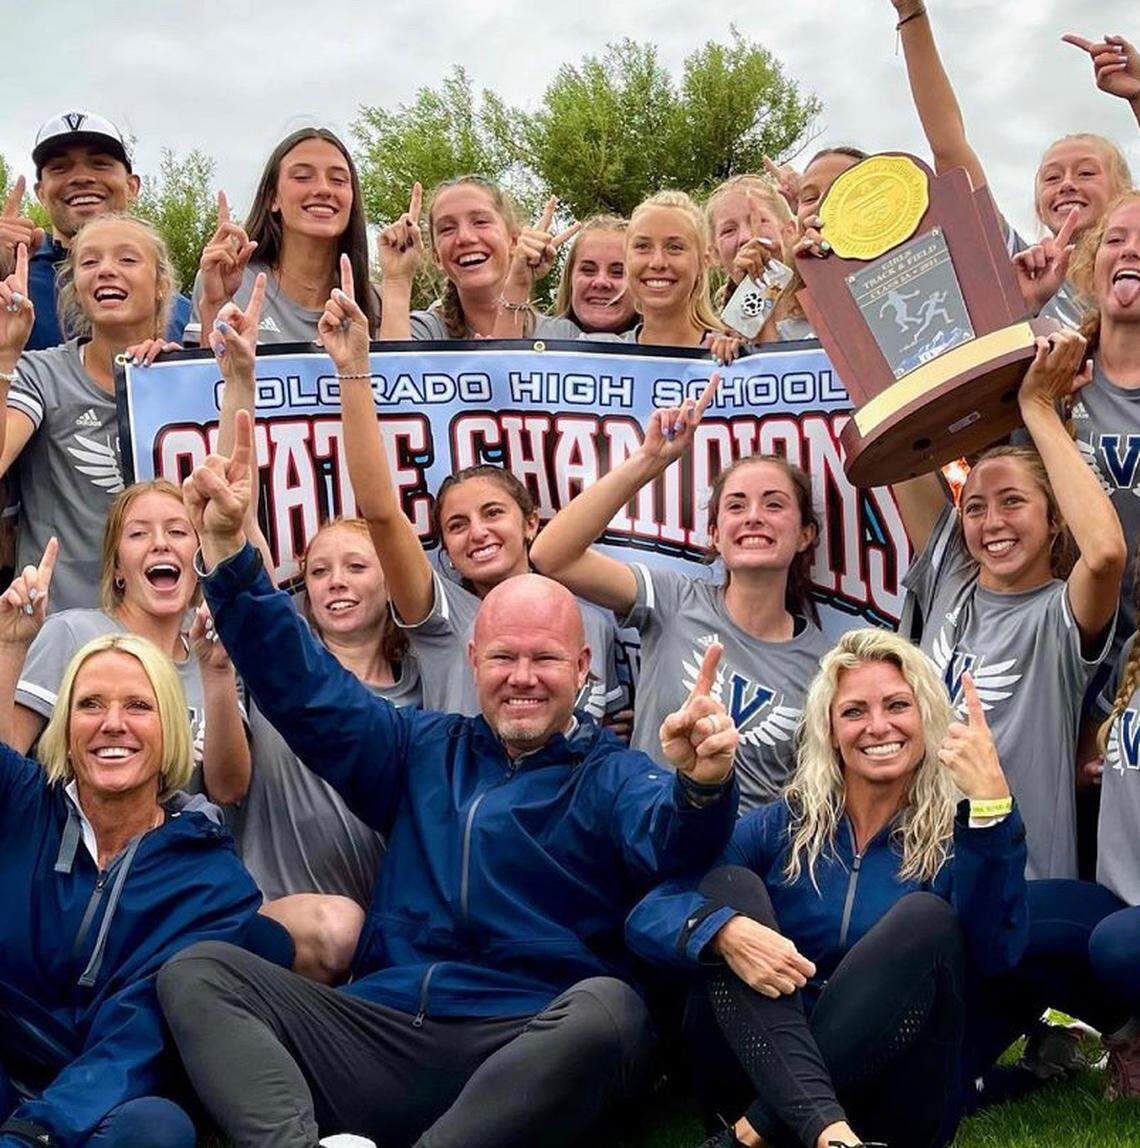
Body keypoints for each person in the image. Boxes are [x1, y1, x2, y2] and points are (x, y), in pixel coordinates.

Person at [155, 408, 740, 1148]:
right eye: (503, 657)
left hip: (523, 1045)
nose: (521, 678)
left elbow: (675, 844)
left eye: (544, 659)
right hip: (385, 1027)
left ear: (583, 669)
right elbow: (305, 690)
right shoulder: (418, 749)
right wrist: (231, 557)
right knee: (200, 973)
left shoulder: (612, 776)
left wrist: (703, 783)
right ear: (472, 662)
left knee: (610, 1010)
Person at [627, 629, 1028, 1148]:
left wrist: (991, 811)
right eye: (855, 711)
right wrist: (725, 933)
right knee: (728, 888)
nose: (877, 726)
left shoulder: (961, 839)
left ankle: (754, 1135)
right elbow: (648, 913)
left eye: (897, 705)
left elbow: (997, 957)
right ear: (830, 731)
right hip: (755, 1070)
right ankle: (823, 1133)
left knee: (924, 917)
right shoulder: (781, 826)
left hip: (890, 1099)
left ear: (927, 720)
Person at [0, 580, 261, 1148]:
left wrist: (32, 1135)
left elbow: (138, 1038)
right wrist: (9, 648)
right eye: (89, 705)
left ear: (169, 727)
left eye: (137, 706)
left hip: (107, 1101)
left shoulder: (213, 881)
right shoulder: (19, 805)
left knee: (157, 1129)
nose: (111, 724)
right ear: (65, 730)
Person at [324, 255, 624, 717]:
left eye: (492, 513)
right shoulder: (441, 617)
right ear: (443, 545)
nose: (478, 532)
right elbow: (381, 512)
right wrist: (353, 368)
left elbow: (611, 724)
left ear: (530, 523)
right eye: (457, 524)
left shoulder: (593, 619)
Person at [530, 379, 830, 811]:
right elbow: (552, 555)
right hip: (644, 837)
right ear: (715, 534)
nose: (753, 518)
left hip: (742, 864)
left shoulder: (824, 664)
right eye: (736, 505)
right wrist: (649, 461)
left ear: (805, 535)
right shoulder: (674, 600)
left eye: (774, 504)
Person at [894, 329, 1126, 878]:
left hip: (1021, 886)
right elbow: (903, 441)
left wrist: (1037, 407)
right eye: (974, 507)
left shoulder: (1059, 615)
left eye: (1013, 502)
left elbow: (1106, 554)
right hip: (917, 866)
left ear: (1054, 523)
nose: (991, 522)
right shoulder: (953, 575)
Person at [242, 518, 423, 984]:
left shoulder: (424, 691)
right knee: (337, 927)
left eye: (356, 566)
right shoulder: (280, 671)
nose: (336, 581)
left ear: (390, 579)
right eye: (319, 572)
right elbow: (247, 570)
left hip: (382, 949)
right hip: (284, 923)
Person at [1, 479, 250, 808]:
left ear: (199, 561)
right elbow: (6, 759)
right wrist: (10, 646)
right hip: (76, 854)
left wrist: (217, 674)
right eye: (138, 533)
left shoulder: (216, 654)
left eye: (177, 531)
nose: (160, 543)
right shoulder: (70, 633)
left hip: (181, 855)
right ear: (117, 568)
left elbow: (229, 791)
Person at [890, 2, 1133, 327]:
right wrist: (912, 15)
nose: (1067, 184)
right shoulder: (1025, 269)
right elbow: (950, 148)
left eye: (1087, 172)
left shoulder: (1131, 264)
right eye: (1051, 178)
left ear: (1125, 193)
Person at [0, 215, 180, 612]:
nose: (107, 271)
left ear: (161, 285)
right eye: (90, 262)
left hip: (167, 634)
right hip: (59, 632)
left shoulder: (186, 377)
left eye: (128, 260)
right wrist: (4, 357)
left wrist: (182, 386)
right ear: (74, 288)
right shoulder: (41, 374)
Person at [0, 112, 191, 353]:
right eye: (60, 168)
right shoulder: (12, 281)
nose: (81, 178)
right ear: (41, 193)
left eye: (100, 163)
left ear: (132, 186)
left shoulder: (181, 311)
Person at [182, 127, 378, 346]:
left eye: (338, 180)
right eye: (303, 177)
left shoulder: (375, 302)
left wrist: (399, 282)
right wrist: (215, 304)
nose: (324, 189)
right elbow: (209, 379)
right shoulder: (228, 281)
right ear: (272, 198)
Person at [1065, 190, 1140, 658]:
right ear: (1091, 269)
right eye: (1115, 239)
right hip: (1068, 646)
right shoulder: (1051, 378)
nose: (1130, 249)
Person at [376, 177, 582, 341]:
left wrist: (519, 282)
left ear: (514, 240)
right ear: (437, 257)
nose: (465, 237)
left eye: (481, 222)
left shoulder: (562, 337)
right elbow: (395, 383)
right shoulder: (422, 333)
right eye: (447, 229)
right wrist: (397, 279)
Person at [705, 174, 797, 336]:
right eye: (728, 230)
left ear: (789, 232)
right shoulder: (721, 340)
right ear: (715, 254)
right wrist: (753, 288)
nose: (746, 237)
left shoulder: (824, 306)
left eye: (761, 220)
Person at [551, 214, 637, 334]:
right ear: (570, 279)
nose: (601, 282)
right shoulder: (533, 340)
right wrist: (520, 281)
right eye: (588, 270)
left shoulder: (669, 347)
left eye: (618, 272)